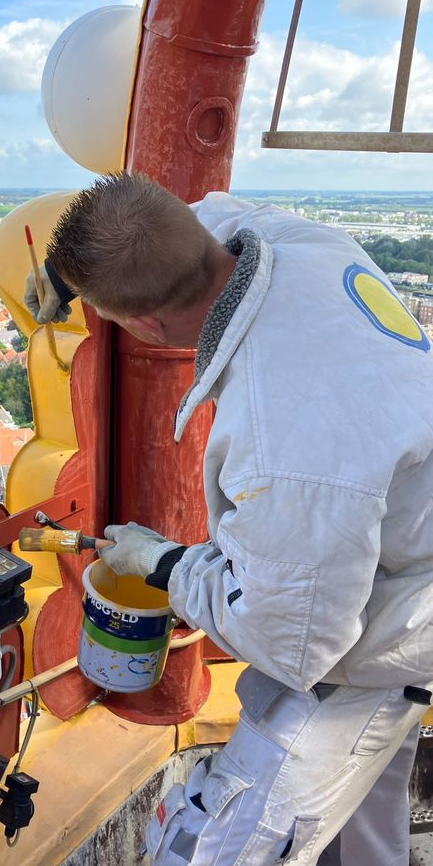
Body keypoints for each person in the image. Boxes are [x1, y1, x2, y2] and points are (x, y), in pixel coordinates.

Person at [24, 172, 433, 866]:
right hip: (394, 570)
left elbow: (294, 644)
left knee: (212, 849)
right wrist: (70, 270)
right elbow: (195, 212)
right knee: (366, 842)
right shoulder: (291, 240)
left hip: (371, 642)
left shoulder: (288, 441)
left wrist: (166, 565)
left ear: (148, 326)